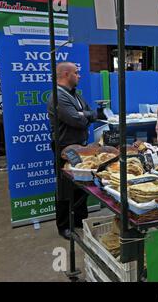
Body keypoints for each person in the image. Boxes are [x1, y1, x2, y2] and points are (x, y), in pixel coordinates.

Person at [47, 62, 98, 240]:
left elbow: (91, 113)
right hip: (65, 148)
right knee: (65, 187)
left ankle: (79, 220)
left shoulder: (75, 95)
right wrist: (84, 116)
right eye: (76, 73)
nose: (79, 75)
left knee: (80, 185)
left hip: (81, 147)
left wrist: (84, 114)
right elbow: (77, 120)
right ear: (66, 74)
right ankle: (64, 226)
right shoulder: (58, 97)